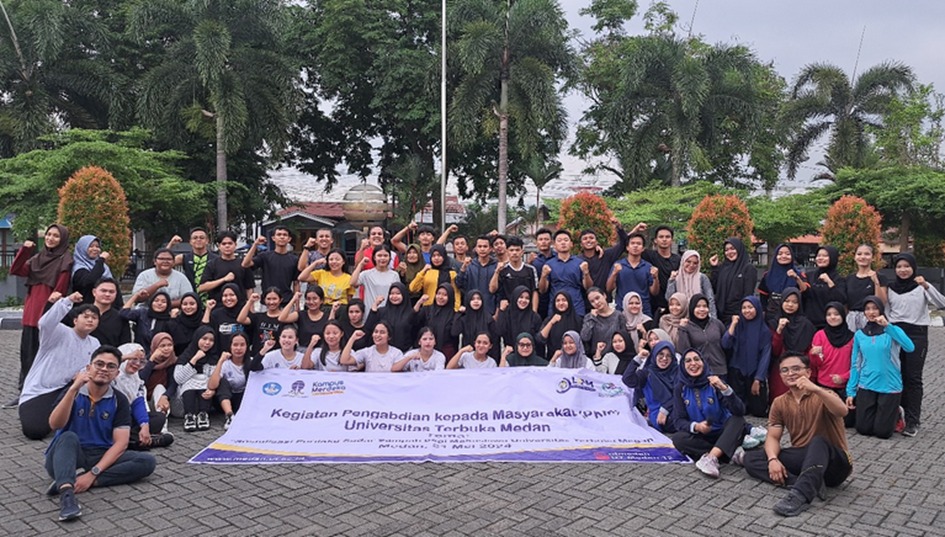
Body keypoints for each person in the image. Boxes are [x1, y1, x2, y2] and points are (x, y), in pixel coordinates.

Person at [43, 346, 157, 521]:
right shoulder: (73, 392)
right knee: (68, 436)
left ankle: (82, 481)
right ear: (89, 368)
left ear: (116, 373)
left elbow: (121, 443)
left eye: (111, 366)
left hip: (99, 455)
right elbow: (55, 424)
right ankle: (67, 496)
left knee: (147, 461)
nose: (104, 369)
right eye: (99, 364)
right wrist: (73, 390)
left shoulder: (119, 400)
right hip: (67, 454)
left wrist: (93, 474)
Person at [739, 352, 852, 517]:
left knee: (818, 442)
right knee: (751, 458)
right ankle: (805, 482)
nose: (790, 373)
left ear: (808, 372)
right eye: (785, 370)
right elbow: (773, 437)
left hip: (836, 463)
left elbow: (842, 411)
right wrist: (773, 460)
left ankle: (800, 494)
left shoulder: (824, 394)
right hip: (806, 460)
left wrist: (815, 389)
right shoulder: (780, 402)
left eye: (796, 369)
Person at [19, 292, 100, 439]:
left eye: (94, 318)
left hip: (70, 389)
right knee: (34, 431)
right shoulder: (58, 332)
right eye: (86, 316)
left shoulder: (94, 343)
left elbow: (92, 366)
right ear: (75, 320)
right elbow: (45, 323)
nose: (90, 320)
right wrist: (67, 301)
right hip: (41, 390)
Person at [9, 224, 73, 404]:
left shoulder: (65, 260)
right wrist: (24, 251)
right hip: (30, 315)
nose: (51, 238)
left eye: (56, 236)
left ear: (62, 239)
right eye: (48, 234)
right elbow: (15, 270)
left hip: (46, 316)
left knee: (43, 357)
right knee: (27, 355)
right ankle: (24, 392)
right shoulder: (37, 258)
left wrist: (51, 313)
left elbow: (60, 290)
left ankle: (37, 394)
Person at [885, 252, 945, 437]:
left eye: (907, 266)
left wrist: (926, 286)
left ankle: (913, 420)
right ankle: (897, 416)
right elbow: (887, 312)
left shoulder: (921, 286)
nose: (903, 270)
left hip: (916, 334)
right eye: (899, 267)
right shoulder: (890, 288)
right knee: (896, 375)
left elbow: (941, 303)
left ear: (913, 268)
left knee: (913, 378)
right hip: (895, 334)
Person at [671, 348, 746, 478]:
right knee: (678, 439)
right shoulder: (680, 388)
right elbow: (678, 420)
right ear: (683, 366)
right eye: (688, 361)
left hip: (723, 432)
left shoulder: (714, 382)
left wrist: (724, 388)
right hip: (701, 437)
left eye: (696, 359)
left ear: (703, 362)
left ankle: (711, 458)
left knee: (738, 420)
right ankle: (727, 451)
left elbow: (739, 410)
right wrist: (696, 426)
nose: (693, 363)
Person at [846, 296, 914, 439]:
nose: (871, 312)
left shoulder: (892, 331)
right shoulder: (859, 335)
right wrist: (851, 391)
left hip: (889, 384)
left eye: (875, 308)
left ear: (881, 310)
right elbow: (855, 364)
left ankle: (897, 414)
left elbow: (909, 347)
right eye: (867, 309)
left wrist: (888, 326)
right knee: (863, 429)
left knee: (882, 433)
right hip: (867, 383)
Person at [113, 343, 174, 450]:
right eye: (133, 359)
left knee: (159, 418)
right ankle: (140, 441)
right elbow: (109, 362)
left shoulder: (136, 379)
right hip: (111, 417)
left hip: (129, 419)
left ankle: (135, 440)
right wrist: (126, 356)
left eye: (141, 361)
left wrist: (144, 425)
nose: (137, 364)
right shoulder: (111, 375)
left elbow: (138, 403)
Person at [721, 296, 771, 417]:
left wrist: (758, 379)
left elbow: (765, 356)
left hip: (754, 372)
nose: (747, 311)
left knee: (759, 411)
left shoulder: (764, 330)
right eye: (744, 308)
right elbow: (725, 344)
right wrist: (733, 324)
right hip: (737, 370)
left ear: (757, 309)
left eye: (750, 307)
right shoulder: (737, 326)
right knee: (739, 409)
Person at [809, 302, 855, 428]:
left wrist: (844, 377)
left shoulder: (852, 337)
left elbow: (857, 364)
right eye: (829, 314)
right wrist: (814, 355)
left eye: (836, 314)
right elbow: (816, 364)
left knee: (847, 422)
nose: (832, 317)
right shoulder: (819, 335)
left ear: (843, 316)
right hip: (824, 385)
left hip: (844, 386)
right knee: (822, 419)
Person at [768, 287, 816, 400]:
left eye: (794, 302)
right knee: (781, 401)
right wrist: (779, 331)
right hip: (781, 369)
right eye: (787, 301)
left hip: (800, 368)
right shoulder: (774, 323)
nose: (790, 305)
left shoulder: (806, 325)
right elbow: (774, 351)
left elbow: (809, 351)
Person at [623, 340, 679, 433]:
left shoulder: (677, 372)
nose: (664, 358)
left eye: (668, 355)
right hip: (658, 416)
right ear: (654, 354)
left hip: (676, 408)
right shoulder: (647, 373)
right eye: (661, 354)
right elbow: (627, 379)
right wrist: (638, 359)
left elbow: (682, 393)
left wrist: (665, 409)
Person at [174, 326, 219, 432]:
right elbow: (179, 379)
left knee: (205, 385)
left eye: (211, 340)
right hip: (186, 392)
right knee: (188, 386)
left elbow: (214, 377)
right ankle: (189, 415)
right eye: (204, 339)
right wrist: (194, 359)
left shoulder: (213, 357)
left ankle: (203, 414)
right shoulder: (186, 355)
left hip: (205, 388)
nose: (207, 343)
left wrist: (212, 390)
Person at [539, 230, 592, 317]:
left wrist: (586, 273)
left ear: (571, 244)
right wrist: (543, 276)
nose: (563, 243)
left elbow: (588, 288)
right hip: (556, 307)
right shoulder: (549, 264)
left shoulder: (580, 263)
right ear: (554, 245)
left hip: (576, 307)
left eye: (566, 240)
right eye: (559, 241)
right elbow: (542, 290)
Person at [241, 226, 300, 305]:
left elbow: (296, 283)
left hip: (286, 301)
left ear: (289, 239)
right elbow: (245, 264)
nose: (282, 237)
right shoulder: (265, 256)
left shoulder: (294, 259)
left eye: (285, 235)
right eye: (279, 234)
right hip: (267, 301)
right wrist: (255, 244)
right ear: (273, 238)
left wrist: (297, 306)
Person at [577, 220, 632, 303]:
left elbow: (624, 244)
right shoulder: (577, 261)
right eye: (585, 239)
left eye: (591, 238)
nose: (588, 240)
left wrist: (619, 227)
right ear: (581, 244)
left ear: (596, 242)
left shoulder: (606, 256)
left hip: (606, 301)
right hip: (585, 303)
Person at [607, 232, 659, 315]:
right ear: (627, 247)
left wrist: (656, 278)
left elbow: (654, 292)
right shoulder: (618, 265)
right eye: (632, 243)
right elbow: (609, 288)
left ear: (643, 248)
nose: (635, 246)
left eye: (638, 244)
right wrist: (614, 274)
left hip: (643, 310)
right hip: (622, 309)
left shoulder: (648, 267)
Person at [676, 294, 727, 377]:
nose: (702, 309)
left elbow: (726, 345)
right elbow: (683, 350)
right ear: (692, 308)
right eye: (698, 306)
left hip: (719, 370)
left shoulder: (717, 324)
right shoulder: (687, 326)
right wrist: (682, 329)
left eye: (705, 306)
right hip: (699, 371)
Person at [709, 237, 758, 323]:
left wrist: (742, 313)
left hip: (738, 316)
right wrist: (714, 268)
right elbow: (714, 288)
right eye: (726, 250)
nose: (729, 252)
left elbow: (748, 293)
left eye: (732, 248)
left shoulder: (748, 268)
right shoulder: (723, 268)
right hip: (720, 315)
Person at [208, 332, 251, 430]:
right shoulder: (226, 364)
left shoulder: (251, 362)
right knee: (223, 382)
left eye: (242, 345)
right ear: (230, 347)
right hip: (225, 399)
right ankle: (229, 416)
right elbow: (212, 385)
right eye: (235, 345)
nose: (238, 348)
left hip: (243, 399)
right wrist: (220, 361)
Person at [198, 230, 255, 303]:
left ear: (235, 245)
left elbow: (249, 288)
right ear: (219, 246)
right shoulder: (212, 264)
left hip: (240, 305)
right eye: (224, 244)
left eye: (230, 243)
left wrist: (251, 307)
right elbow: (202, 287)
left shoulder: (243, 264)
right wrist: (223, 279)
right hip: (218, 305)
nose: (227, 246)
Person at [844, 244, 888, 332]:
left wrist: (876, 282)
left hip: (871, 317)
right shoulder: (848, 279)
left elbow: (882, 302)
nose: (863, 257)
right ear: (855, 257)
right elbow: (845, 304)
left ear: (873, 257)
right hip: (851, 319)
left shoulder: (880, 277)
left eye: (867, 254)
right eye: (859, 254)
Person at [367, 282, 421, 353]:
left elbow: (416, 332)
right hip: (384, 352)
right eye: (392, 293)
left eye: (398, 293)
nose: (394, 296)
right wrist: (375, 305)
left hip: (405, 352)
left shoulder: (411, 313)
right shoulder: (382, 311)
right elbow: (368, 327)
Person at [758, 243, 809, 317]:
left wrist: (796, 278)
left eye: (787, 254)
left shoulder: (799, 274)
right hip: (772, 315)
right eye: (780, 254)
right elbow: (763, 297)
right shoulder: (767, 275)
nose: (784, 256)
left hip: (793, 315)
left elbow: (806, 291)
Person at [641, 225, 681, 319]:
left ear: (672, 240)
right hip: (653, 305)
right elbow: (627, 245)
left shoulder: (678, 259)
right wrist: (636, 230)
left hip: (673, 305)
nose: (664, 239)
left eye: (667, 237)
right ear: (655, 240)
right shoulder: (649, 255)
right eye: (661, 237)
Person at [804, 246, 846, 329]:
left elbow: (841, 299)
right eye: (819, 255)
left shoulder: (838, 278)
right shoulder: (809, 276)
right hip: (809, 323)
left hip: (829, 323)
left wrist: (830, 282)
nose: (821, 258)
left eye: (825, 256)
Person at [490, 235, 539, 307]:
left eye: (517, 250)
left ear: (522, 252)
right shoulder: (502, 270)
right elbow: (492, 290)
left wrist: (534, 311)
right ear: (507, 251)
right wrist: (497, 272)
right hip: (508, 310)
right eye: (511, 250)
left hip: (526, 310)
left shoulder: (531, 269)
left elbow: (535, 291)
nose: (514, 253)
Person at [666, 250, 717, 318]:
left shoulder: (702, 278)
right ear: (683, 261)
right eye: (688, 261)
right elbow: (669, 298)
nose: (691, 265)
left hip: (699, 316)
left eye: (695, 263)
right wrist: (671, 280)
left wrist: (713, 318)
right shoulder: (676, 277)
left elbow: (710, 299)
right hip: (680, 317)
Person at [167, 228, 218, 295]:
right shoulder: (184, 257)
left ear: (207, 241)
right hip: (190, 296)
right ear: (190, 242)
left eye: (202, 238)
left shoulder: (216, 258)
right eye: (195, 238)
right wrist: (171, 244)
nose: (198, 240)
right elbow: (164, 263)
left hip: (211, 296)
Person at [236, 287, 285, 357]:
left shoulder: (284, 319)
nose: (271, 302)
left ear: (280, 300)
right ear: (264, 300)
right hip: (257, 356)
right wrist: (250, 301)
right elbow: (241, 319)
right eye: (268, 299)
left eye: (274, 299)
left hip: (276, 357)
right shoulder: (258, 316)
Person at [410, 244, 461, 309]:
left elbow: (456, 293)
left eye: (439, 255)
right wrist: (422, 271)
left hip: (447, 310)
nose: (436, 258)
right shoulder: (427, 272)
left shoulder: (452, 273)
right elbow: (413, 288)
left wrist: (456, 308)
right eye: (433, 256)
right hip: (429, 309)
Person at [497, 285, 543, 357]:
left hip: (530, 357)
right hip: (511, 355)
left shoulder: (535, 317)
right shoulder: (507, 314)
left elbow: (539, 342)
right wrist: (501, 311)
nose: (524, 300)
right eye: (521, 297)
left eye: (527, 298)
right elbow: (500, 331)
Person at [350, 245, 400, 310]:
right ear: (374, 257)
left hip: (389, 311)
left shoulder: (394, 275)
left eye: (385, 256)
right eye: (379, 255)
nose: (382, 258)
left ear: (389, 258)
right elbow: (352, 282)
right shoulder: (366, 274)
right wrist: (360, 264)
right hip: (370, 310)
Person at [457, 235, 498, 314]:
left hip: (490, 310)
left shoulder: (496, 266)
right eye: (479, 246)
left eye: (485, 246)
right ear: (475, 248)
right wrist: (463, 268)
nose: (482, 249)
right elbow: (459, 284)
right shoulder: (469, 265)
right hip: (471, 310)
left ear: (490, 249)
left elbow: (499, 291)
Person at [450, 289, 497, 358]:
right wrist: (459, 313)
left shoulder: (488, 318)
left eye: (478, 299)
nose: (476, 301)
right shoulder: (464, 319)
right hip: (468, 355)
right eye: (472, 299)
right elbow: (454, 332)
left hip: (485, 356)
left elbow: (495, 339)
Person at [537, 292, 582, 361]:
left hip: (575, 359)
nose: (561, 303)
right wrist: (551, 322)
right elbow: (540, 339)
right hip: (554, 358)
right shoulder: (550, 319)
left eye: (564, 300)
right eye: (558, 301)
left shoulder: (577, 320)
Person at [417, 284, 458, 358]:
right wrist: (419, 303)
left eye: (445, 295)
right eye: (439, 294)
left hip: (446, 353)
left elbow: (454, 334)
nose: (441, 297)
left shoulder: (453, 314)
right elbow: (413, 321)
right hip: (427, 351)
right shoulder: (427, 310)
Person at [204, 283, 248, 353]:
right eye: (225, 295)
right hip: (221, 355)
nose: (228, 298)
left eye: (232, 295)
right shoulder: (216, 314)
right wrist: (208, 309)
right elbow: (205, 330)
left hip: (241, 355)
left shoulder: (244, 313)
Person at [71, 235, 113, 304]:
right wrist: (101, 260)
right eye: (90, 246)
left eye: (97, 246)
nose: (95, 249)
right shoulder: (79, 269)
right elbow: (91, 281)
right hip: (86, 308)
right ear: (82, 248)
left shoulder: (104, 267)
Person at [90, 277, 131, 348]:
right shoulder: (80, 313)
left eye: (111, 292)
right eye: (103, 291)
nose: (107, 294)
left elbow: (125, 345)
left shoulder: (121, 317)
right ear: (94, 292)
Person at [580, 287, 621, 357]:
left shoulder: (618, 315)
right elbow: (585, 337)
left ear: (604, 295)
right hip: (597, 356)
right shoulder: (589, 317)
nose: (596, 302)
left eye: (597, 298)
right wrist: (592, 318)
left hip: (616, 356)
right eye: (592, 301)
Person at [530, 227, 555, 318]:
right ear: (536, 242)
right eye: (540, 239)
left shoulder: (557, 258)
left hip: (554, 297)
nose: (543, 242)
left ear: (551, 241)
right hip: (539, 300)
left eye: (546, 239)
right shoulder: (533, 261)